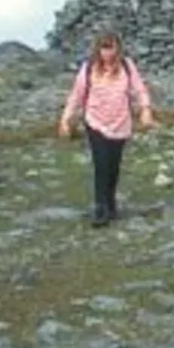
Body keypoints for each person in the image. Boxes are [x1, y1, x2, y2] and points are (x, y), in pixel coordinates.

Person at [58, 30, 156, 225]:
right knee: (101, 165)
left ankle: (111, 205)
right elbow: (76, 95)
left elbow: (139, 89)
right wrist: (65, 119)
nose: (107, 52)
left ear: (117, 48)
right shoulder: (88, 68)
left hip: (120, 123)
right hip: (95, 122)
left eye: (111, 47)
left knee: (113, 166)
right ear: (98, 48)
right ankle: (100, 208)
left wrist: (145, 110)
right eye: (104, 47)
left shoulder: (127, 66)